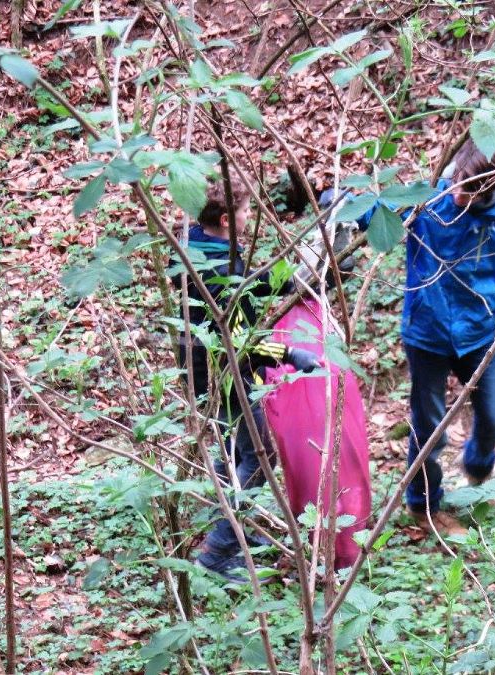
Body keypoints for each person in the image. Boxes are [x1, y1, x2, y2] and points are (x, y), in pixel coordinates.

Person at [356, 139, 495, 537]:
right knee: (429, 427)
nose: (458, 193)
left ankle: (478, 473)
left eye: (469, 190)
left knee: (492, 420)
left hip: (478, 335)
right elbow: (380, 217)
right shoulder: (430, 202)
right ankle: (423, 505)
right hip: (427, 333)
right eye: (457, 183)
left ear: (490, 189)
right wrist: (347, 206)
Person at [172, 177, 321, 582]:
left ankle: (238, 528)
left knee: (235, 450)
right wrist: (290, 354)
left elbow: (251, 281)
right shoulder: (219, 270)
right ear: (226, 219)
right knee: (258, 454)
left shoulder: (198, 250)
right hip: (224, 371)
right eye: (246, 212)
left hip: (208, 366)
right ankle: (218, 554)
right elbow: (237, 340)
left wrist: (292, 280)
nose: (250, 217)